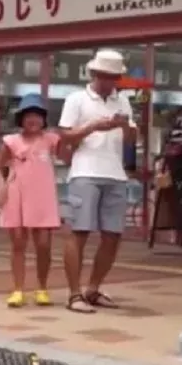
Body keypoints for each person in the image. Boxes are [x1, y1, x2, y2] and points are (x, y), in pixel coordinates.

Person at [58, 50, 138, 314]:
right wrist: (93, 126)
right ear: (94, 74)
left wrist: (124, 127)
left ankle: (93, 288)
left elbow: (130, 140)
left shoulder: (123, 101)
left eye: (114, 77)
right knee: (79, 232)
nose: (109, 82)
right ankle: (73, 293)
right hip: (85, 171)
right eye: (104, 76)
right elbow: (66, 136)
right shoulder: (76, 99)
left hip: (115, 173)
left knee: (113, 235)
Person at [0, 94, 62, 308]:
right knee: (19, 244)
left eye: (37, 116)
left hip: (43, 197)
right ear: (20, 119)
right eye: (28, 116)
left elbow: (69, 151)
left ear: (44, 119)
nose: (33, 120)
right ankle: (18, 289)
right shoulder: (11, 141)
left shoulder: (52, 139)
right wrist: (1, 186)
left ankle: (42, 288)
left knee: (43, 244)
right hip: (17, 195)